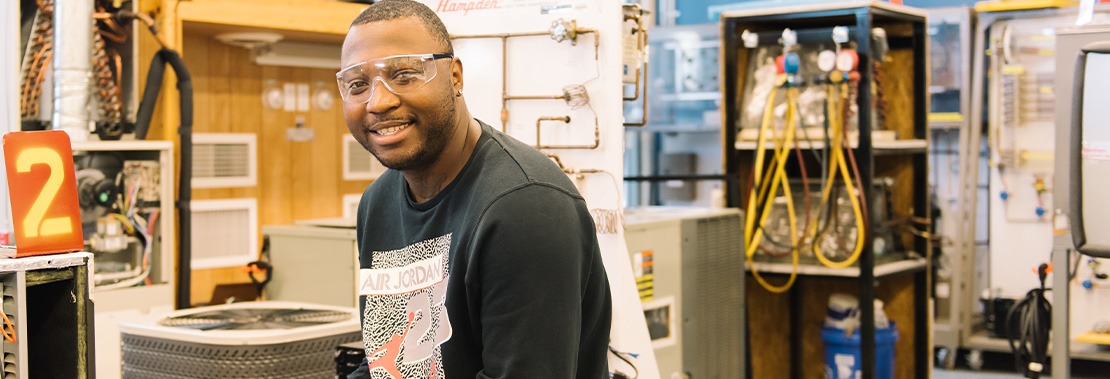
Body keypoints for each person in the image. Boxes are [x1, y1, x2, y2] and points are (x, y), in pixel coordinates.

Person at [338, 1, 612, 378]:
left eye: (404, 75)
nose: (379, 101)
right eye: (358, 84)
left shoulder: (525, 205)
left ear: (455, 77)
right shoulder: (378, 202)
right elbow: (388, 363)